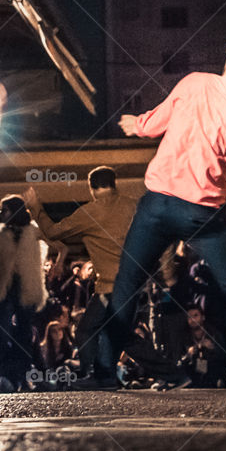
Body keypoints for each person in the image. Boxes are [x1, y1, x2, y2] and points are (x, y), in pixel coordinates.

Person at [105, 30, 226, 390]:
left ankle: (104, 370)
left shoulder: (195, 81)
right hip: (203, 213)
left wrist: (134, 124)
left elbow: (155, 124)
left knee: (127, 282)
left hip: (158, 202)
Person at [21, 166, 137, 388]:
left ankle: (97, 374)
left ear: (91, 187)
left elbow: (53, 232)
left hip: (109, 285)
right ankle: (106, 376)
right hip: (132, 281)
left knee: (88, 329)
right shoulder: (133, 206)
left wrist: (36, 209)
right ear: (115, 183)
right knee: (116, 332)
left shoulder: (91, 212)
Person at [0, 195, 50, 391]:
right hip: (6, 288)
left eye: (4, 209)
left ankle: (21, 378)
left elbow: (56, 241)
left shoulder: (33, 231)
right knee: (1, 334)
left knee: (23, 335)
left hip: (27, 287)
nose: (0, 213)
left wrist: (58, 262)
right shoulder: (1, 233)